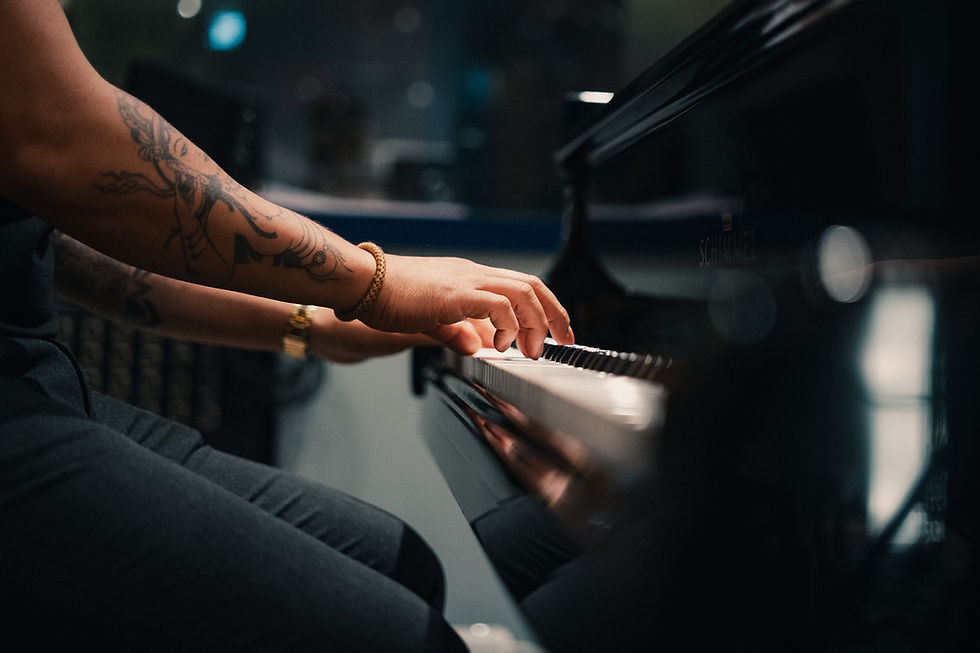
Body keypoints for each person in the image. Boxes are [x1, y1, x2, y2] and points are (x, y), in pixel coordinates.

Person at [0, 0, 574, 650]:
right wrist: (371, 282)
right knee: (406, 638)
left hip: (41, 381)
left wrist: (313, 322)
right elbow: (56, 136)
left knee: (400, 562)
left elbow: (62, 251)